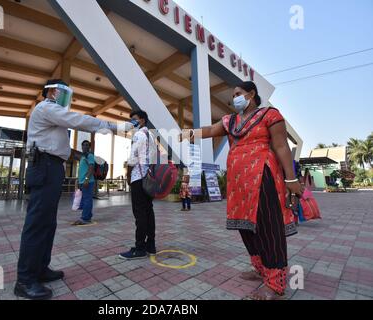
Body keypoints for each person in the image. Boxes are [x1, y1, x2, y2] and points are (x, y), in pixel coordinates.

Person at [179, 81, 304, 300]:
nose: (234, 98)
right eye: (233, 95)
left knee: (267, 228)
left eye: (238, 93)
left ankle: (276, 283)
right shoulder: (231, 121)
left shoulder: (269, 114)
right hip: (238, 181)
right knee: (245, 227)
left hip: (262, 175)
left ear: (251, 94)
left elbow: (282, 146)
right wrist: (187, 133)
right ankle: (261, 269)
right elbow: (209, 130)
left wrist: (291, 178)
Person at [15, 79, 132, 300]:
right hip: (44, 166)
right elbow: (79, 120)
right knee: (38, 221)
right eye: (62, 92)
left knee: (48, 222)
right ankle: (25, 279)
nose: (65, 97)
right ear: (51, 92)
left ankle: (40, 268)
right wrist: (115, 127)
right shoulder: (46, 108)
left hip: (52, 166)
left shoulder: (54, 116)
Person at [119, 110, 157, 260]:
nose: (131, 123)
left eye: (134, 120)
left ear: (142, 120)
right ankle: (151, 244)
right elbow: (154, 157)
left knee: (139, 213)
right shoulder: (152, 136)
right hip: (148, 178)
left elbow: (133, 157)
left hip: (137, 178)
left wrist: (128, 175)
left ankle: (139, 247)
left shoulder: (138, 135)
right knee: (148, 211)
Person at [72, 140, 95, 225]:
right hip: (82, 182)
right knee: (85, 199)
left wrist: (86, 179)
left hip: (88, 182)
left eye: (87, 145)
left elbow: (91, 168)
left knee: (87, 200)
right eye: (83, 145)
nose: (85, 146)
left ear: (89, 147)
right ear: (81, 146)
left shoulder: (90, 156)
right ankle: (88, 216)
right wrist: (80, 181)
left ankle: (85, 218)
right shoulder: (82, 157)